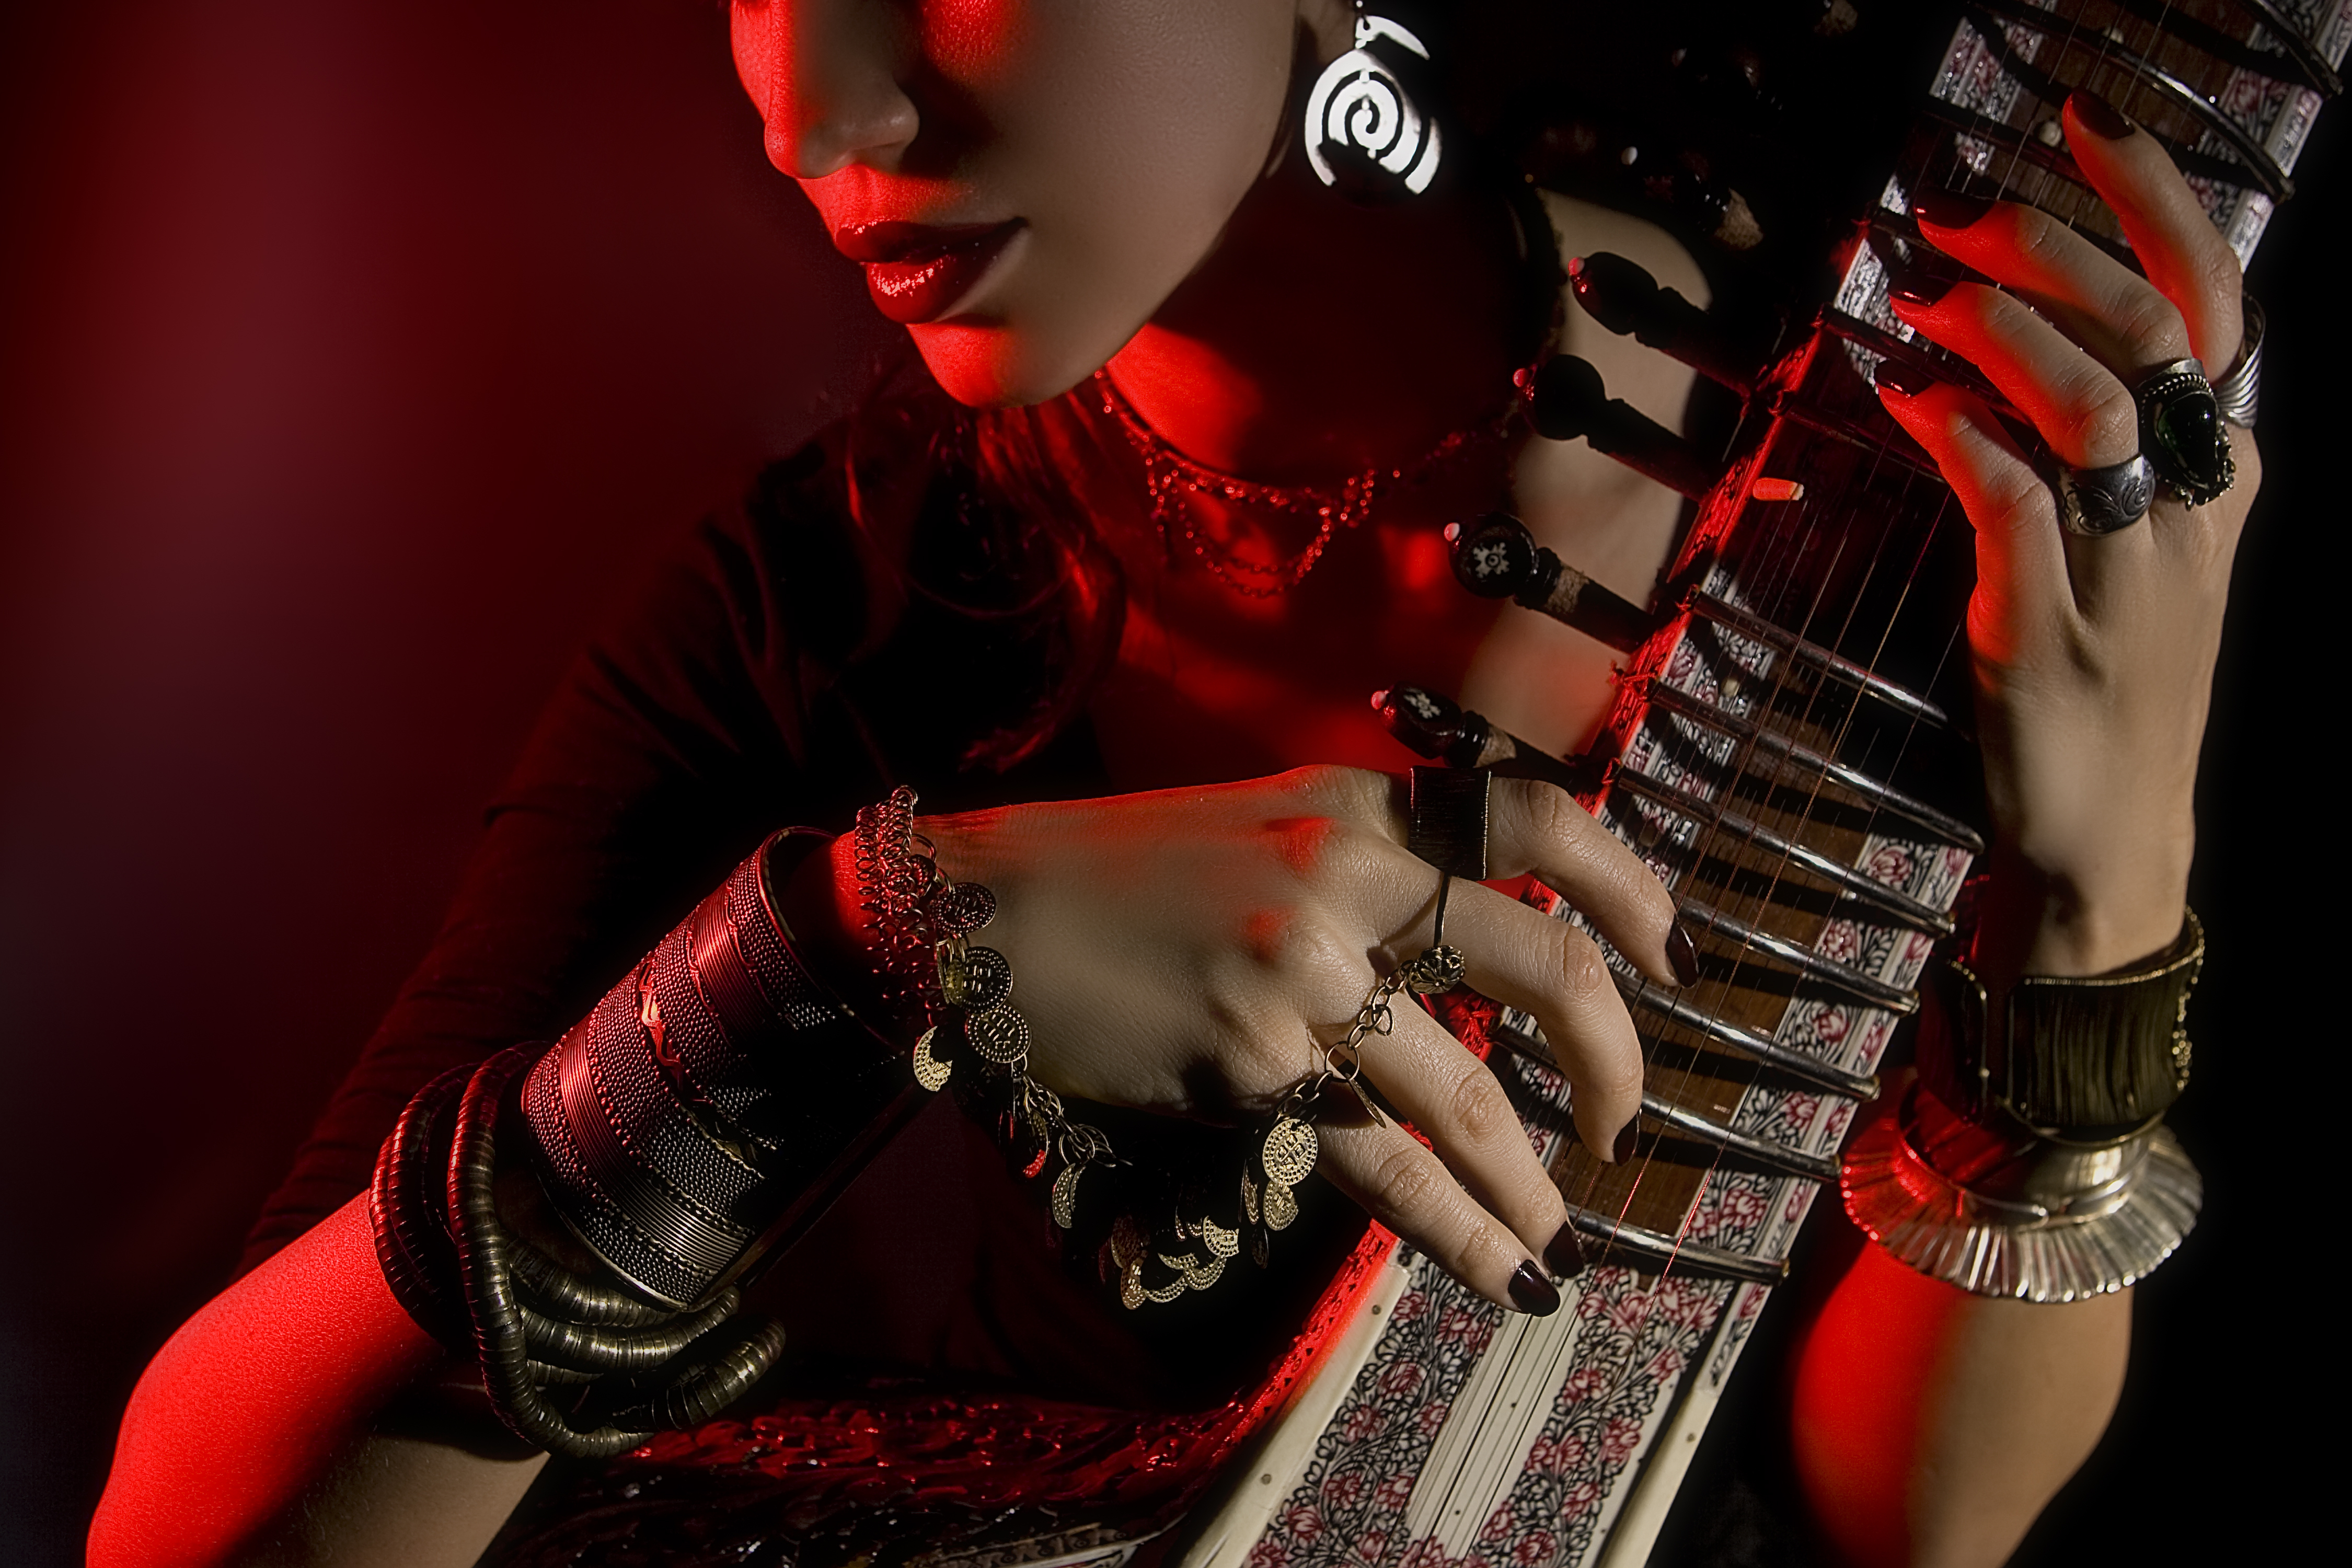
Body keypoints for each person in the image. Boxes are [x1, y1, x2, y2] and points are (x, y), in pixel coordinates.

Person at [86, 4, 2258, 1565]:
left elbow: (1926, 1521)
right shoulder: (835, 607)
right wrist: (832, 966)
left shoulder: (1917, 423)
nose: (804, 110)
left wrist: (2103, 895)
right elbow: (191, 1522)